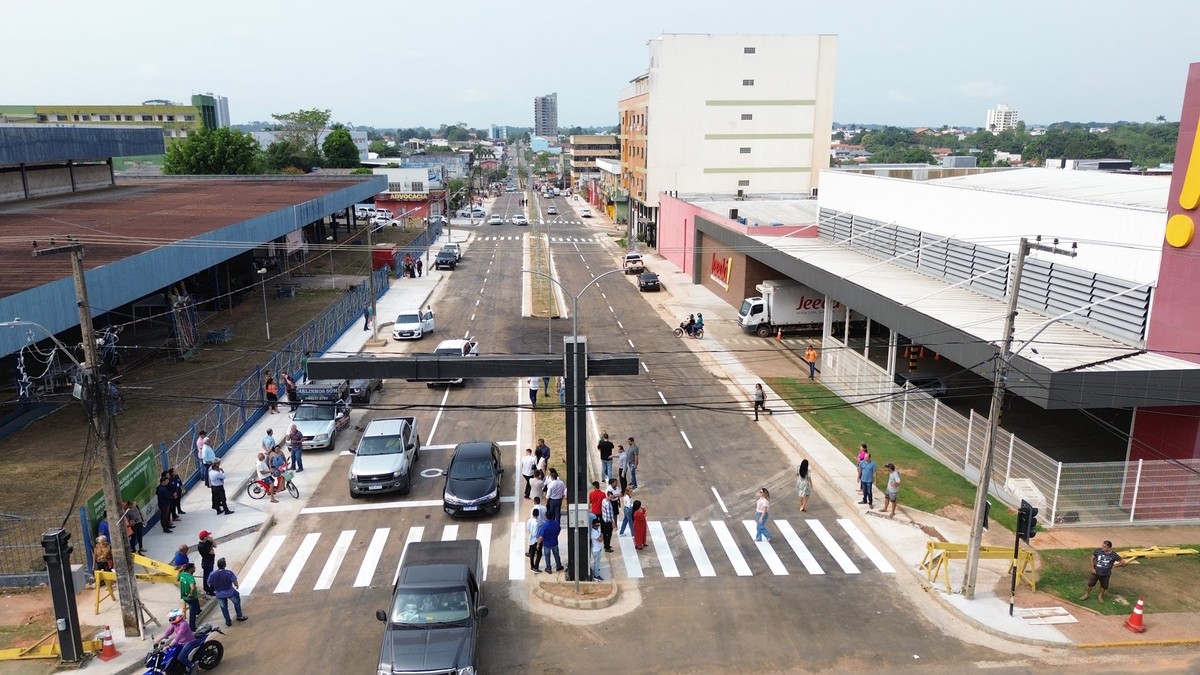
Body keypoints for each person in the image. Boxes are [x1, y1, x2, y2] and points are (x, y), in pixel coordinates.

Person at [208, 557, 247, 627]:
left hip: (219, 594)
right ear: (224, 565)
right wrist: (236, 585)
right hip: (230, 592)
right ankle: (239, 616)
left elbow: (209, 583)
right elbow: (234, 581)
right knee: (237, 601)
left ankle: (228, 621)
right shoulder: (228, 573)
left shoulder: (212, 574)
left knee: (224, 607)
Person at [160, 608, 198, 673]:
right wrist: (157, 641)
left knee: (180, 657)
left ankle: (193, 666)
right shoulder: (174, 624)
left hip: (189, 642)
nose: (171, 619)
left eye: (172, 618)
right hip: (180, 642)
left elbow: (178, 636)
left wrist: (169, 645)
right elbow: (168, 632)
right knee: (171, 654)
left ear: (178, 617)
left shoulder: (183, 624)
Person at [179, 562, 201, 630]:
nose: (195, 568)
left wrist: (180, 570)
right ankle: (192, 627)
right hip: (191, 598)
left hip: (184, 596)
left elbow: (178, 578)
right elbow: (193, 588)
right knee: (192, 613)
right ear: (190, 569)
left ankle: (198, 610)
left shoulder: (182, 574)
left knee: (196, 602)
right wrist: (191, 593)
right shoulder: (190, 578)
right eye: (194, 567)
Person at [197, 531, 217, 596]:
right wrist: (211, 547)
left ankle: (212, 587)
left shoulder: (207, 541)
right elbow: (212, 552)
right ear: (205, 537)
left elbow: (215, 546)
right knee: (208, 577)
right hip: (207, 563)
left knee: (210, 575)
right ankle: (208, 590)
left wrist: (212, 541)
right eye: (207, 536)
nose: (209, 536)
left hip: (210, 561)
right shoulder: (201, 546)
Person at [526, 508, 543, 573]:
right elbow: (535, 533)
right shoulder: (536, 523)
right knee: (539, 554)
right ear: (538, 515)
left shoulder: (529, 520)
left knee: (532, 554)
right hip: (535, 540)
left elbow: (528, 528)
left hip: (531, 539)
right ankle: (535, 567)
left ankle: (532, 566)